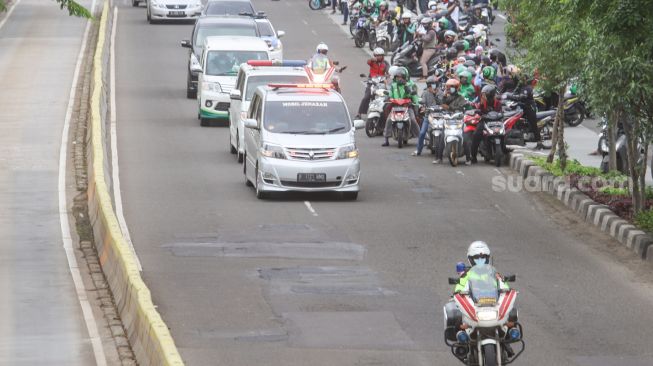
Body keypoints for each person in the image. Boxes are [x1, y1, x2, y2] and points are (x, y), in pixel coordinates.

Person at [433, 78, 469, 164]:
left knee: (466, 138)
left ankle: (468, 158)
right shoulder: (445, 98)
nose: (449, 89)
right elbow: (440, 104)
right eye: (448, 87)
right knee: (441, 138)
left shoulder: (461, 98)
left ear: (456, 88)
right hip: (448, 120)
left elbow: (461, 107)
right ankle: (439, 157)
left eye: (451, 87)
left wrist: (449, 108)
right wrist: (443, 98)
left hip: (458, 120)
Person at [508, 72, 547, 150]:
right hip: (523, 107)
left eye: (522, 79)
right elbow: (515, 93)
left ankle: (539, 142)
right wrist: (508, 95)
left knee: (533, 125)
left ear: (525, 80)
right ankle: (522, 139)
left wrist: (511, 96)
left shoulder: (528, 88)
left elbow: (521, 97)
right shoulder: (521, 87)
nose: (520, 81)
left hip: (530, 108)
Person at [382, 67, 420, 146]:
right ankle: (386, 139)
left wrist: (414, 101)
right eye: (397, 77)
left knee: (412, 120)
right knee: (389, 120)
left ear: (405, 77)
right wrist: (387, 97)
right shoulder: (393, 85)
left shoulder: (410, 84)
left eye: (401, 77)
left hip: (407, 107)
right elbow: (390, 94)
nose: (399, 79)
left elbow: (413, 95)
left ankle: (421, 138)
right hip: (395, 107)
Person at [469, 84, 502, 163]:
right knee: (476, 135)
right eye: (483, 95)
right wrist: (478, 111)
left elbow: (501, 112)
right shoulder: (482, 103)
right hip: (484, 122)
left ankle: (503, 148)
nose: (484, 96)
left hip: (496, 122)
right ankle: (473, 156)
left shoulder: (498, 103)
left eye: (485, 95)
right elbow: (479, 111)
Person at [412, 75, 443, 156]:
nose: (433, 87)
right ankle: (418, 150)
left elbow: (441, 102)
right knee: (422, 133)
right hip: (428, 116)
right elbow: (422, 101)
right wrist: (422, 105)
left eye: (434, 84)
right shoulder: (425, 93)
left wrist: (435, 95)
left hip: (440, 116)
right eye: (431, 85)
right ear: (428, 85)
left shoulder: (440, 92)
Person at [356, 48, 390, 119]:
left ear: (383, 56)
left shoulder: (386, 63)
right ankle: (359, 113)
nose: (379, 57)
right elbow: (368, 62)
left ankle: (385, 114)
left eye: (380, 55)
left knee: (386, 97)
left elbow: (388, 71)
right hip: (372, 82)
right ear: (374, 55)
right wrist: (372, 59)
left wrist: (388, 75)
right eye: (377, 55)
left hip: (381, 83)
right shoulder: (372, 62)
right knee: (366, 97)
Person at [418, 17, 437, 82]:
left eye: (425, 24)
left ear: (429, 24)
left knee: (423, 62)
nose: (424, 26)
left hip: (429, 49)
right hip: (427, 48)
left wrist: (421, 36)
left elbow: (427, 39)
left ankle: (425, 77)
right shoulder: (428, 31)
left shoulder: (431, 31)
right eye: (423, 24)